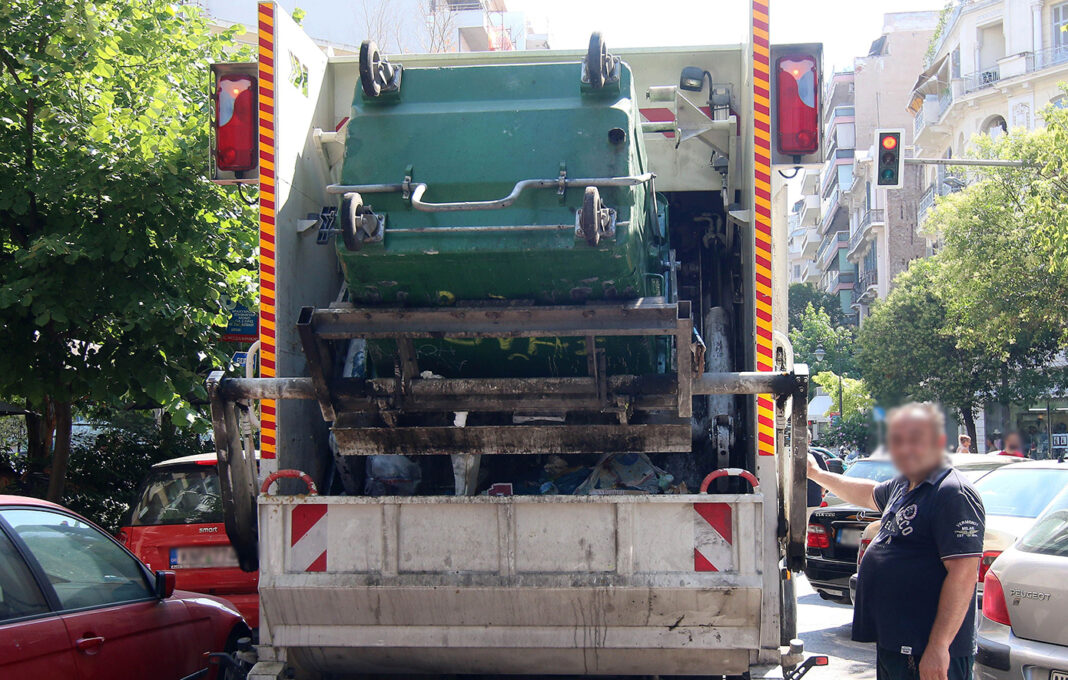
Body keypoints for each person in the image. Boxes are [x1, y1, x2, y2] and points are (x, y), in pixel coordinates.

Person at [807, 402, 985, 680]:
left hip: (928, 650)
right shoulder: (905, 484)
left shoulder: (953, 493)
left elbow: (963, 576)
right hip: (898, 644)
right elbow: (867, 494)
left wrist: (939, 647)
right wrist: (816, 474)